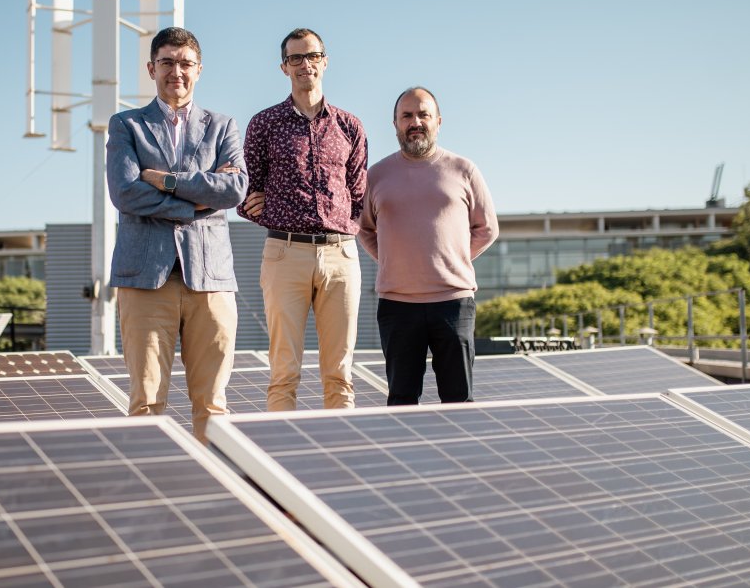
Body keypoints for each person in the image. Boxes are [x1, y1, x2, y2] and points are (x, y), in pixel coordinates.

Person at [106, 26, 247, 442]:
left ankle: (212, 479)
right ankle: (150, 480)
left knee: (213, 404)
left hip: (210, 279)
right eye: (167, 62)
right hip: (146, 278)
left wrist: (166, 182)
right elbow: (125, 193)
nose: (176, 72)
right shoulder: (126, 125)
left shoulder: (222, 126)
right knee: (146, 403)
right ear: (151, 68)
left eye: (186, 63)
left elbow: (234, 190)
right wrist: (196, 203)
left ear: (199, 70)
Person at [238, 28, 367, 411]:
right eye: (295, 58)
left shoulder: (349, 126)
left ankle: (341, 445)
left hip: (340, 256)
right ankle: (281, 445)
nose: (304, 64)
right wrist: (268, 208)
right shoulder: (264, 124)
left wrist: (338, 224)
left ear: (324, 62)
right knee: (283, 370)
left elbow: (358, 194)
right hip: (285, 253)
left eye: (312, 56)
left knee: (340, 373)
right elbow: (245, 193)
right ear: (284, 67)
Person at [358, 87, 499, 404]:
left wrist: (452, 260)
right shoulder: (375, 176)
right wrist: (394, 260)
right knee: (401, 400)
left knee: (459, 400)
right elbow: (364, 229)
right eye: (407, 116)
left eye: (423, 114)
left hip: (454, 302)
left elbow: (487, 228)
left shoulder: (464, 170)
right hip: (397, 305)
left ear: (438, 121)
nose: (415, 122)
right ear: (395, 123)